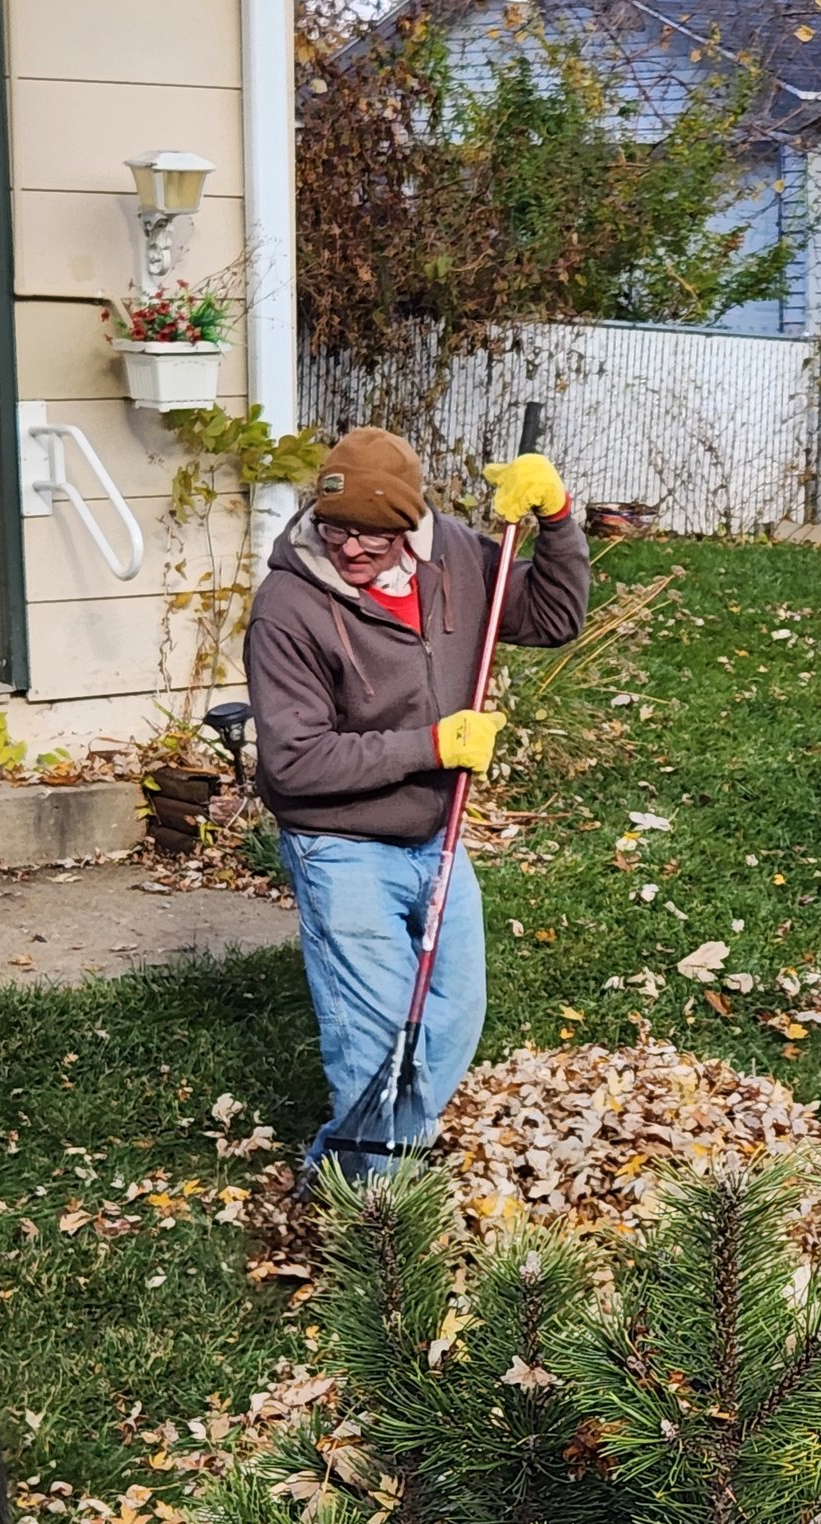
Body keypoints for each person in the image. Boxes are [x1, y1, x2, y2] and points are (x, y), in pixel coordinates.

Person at [244, 427, 589, 1173]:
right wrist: (430, 747)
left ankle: (349, 1161)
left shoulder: (457, 558)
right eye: (335, 529)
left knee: (450, 1021)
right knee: (374, 1042)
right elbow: (295, 763)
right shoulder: (288, 607)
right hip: (338, 842)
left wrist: (557, 518)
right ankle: (381, 1219)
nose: (350, 550)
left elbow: (555, 618)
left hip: (434, 834)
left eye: (370, 534)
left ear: (408, 525)